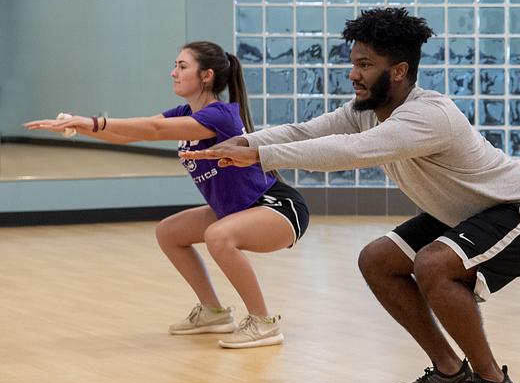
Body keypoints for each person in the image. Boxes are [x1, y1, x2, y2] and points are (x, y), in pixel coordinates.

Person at [182, 7, 520, 383]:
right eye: (354, 63)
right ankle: (449, 369)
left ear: (398, 71)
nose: (354, 74)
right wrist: (246, 143)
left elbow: (352, 151)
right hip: (464, 211)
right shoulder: (364, 111)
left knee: (434, 265)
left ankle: (493, 382)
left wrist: (261, 155)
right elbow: (308, 131)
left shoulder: (429, 115)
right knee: (378, 261)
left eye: (365, 65)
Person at [25, 42, 309, 349]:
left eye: (182, 66)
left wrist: (92, 121)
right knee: (169, 232)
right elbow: (132, 134)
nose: (173, 73)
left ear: (207, 75)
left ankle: (263, 323)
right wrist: (77, 127)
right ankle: (213, 313)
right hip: (237, 209)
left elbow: (154, 129)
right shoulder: (186, 113)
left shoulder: (221, 115)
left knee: (218, 236)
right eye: (175, 65)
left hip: (278, 207)